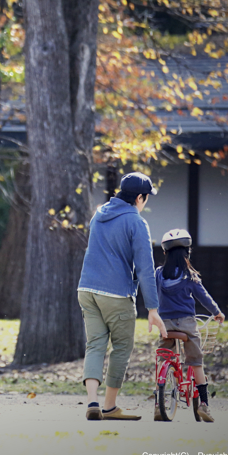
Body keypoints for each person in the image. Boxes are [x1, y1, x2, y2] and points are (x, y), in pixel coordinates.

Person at [78, 172, 168, 421]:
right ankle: (109, 406)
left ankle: (92, 402)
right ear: (139, 197)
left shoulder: (99, 214)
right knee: (121, 347)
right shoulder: (136, 222)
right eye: (146, 197)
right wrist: (152, 308)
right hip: (115, 294)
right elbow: (145, 268)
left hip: (86, 289)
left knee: (95, 344)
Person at [153, 228, 225, 423]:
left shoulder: (158, 274)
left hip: (165, 325)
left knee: (163, 357)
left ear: (165, 253)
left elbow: (151, 294)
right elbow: (204, 297)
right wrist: (217, 313)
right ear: (187, 253)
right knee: (195, 362)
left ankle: (158, 404)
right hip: (186, 324)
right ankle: (203, 404)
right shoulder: (190, 276)